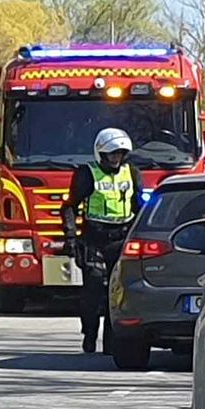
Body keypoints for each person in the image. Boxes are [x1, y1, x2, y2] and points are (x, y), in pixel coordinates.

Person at [62, 128, 143, 354]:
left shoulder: (132, 173)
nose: (116, 158)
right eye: (112, 154)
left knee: (116, 292)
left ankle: (111, 340)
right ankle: (89, 333)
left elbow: (140, 207)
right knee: (94, 288)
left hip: (121, 239)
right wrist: (70, 238)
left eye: (120, 153)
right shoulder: (87, 174)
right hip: (93, 239)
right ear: (101, 154)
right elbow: (69, 207)